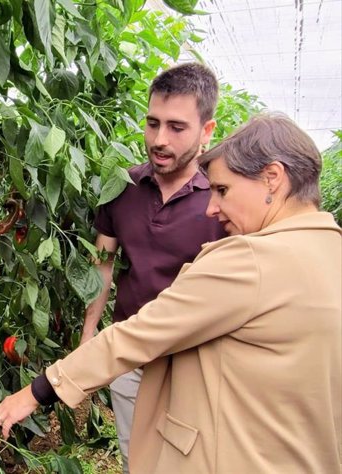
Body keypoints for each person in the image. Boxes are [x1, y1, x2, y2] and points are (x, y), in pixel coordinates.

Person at [0, 114, 342, 473]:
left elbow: (141, 333)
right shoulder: (330, 251)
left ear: (272, 178)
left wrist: (36, 391)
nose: (212, 208)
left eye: (223, 190)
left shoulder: (252, 258)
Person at [81, 63, 226, 473]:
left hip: (194, 364)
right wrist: (90, 334)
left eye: (177, 127)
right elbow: (103, 265)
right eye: (152, 123)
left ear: (207, 131)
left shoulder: (221, 199)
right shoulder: (122, 187)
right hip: (130, 357)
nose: (159, 140)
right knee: (136, 458)